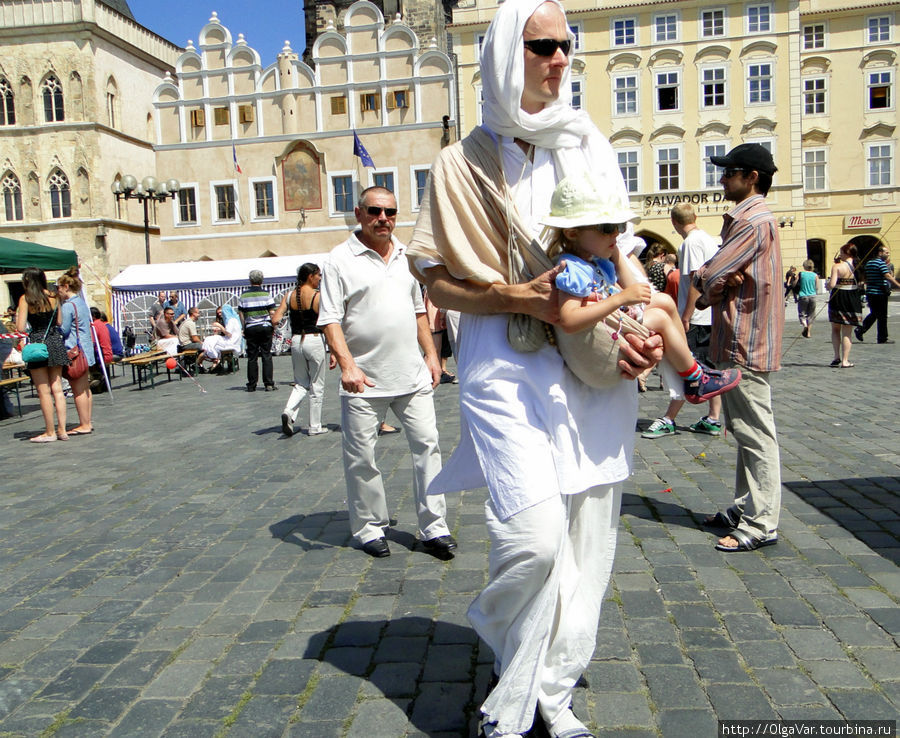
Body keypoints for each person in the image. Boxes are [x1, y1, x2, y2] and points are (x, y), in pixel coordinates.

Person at [406, 1, 664, 735]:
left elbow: (622, 258)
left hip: (590, 361)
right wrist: (511, 294)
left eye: (566, 45)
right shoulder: (460, 164)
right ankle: (498, 624)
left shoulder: (589, 145)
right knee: (536, 539)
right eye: (542, 45)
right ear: (500, 57)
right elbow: (434, 278)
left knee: (586, 539)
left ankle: (544, 693)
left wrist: (639, 331)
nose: (559, 58)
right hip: (503, 357)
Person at [318, 186, 455, 560]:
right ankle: (369, 528)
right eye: (376, 211)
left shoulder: (406, 257)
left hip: (411, 376)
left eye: (391, 212)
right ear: (359, 213)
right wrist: (347, 365)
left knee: (428, 448)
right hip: (363, 379)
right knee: (362, 458)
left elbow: (419, 311)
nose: (384, 219)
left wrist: (432, 355)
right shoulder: (338, 260)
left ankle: (435, 527)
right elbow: (329, 318)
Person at [542, 175, 741, 405]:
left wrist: (616, 257)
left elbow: (636, 289)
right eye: (607, 228)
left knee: (665, 301)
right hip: (601, 338)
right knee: (659, 317)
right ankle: (695, 378)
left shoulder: (595, 261)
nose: (616, 234)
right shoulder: (573, 267)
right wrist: (620, 300)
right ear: (572, 233)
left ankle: (690, 366)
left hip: (614, 323)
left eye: (619, 227)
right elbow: (569, 319)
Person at [686, 143, 784, 553]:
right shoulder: (748, 219)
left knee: (756, 432)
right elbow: (721, 275)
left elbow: (713, 272)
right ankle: (746, 507)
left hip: (745, 339)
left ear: (752, 178)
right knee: (744, 429)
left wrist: (708, 283)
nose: (723, 178)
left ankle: (762, 522)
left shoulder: (752, 221)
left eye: (730, 172)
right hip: (740, 336)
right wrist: (714, 281)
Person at [643, 202, 724, 439]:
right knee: (708, 367)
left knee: (685, 366)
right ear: (695, 216)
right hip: (710, 314)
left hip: (697, 316)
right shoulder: (709, 239)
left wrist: (686, 315)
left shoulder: (690, 243)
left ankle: (669, 418)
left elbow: (694, 282)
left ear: (674, 222)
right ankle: (713, 418)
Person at [273, 263, 330, 437]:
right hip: (314, 340)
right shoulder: (317, 297)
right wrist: (334, 350)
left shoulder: (289, 295)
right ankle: (315, 425)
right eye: (318, 275)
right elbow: (327, 324)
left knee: (300, 383)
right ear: (310, 276)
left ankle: (289, 411)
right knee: (316, 385)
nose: (320, 278)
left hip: (296, 341)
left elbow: (276, 319)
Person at [15, 267, 68, 442]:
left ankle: (50, 431)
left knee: (43, 391)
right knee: (58, 388)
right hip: (55, 340)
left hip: (38, 342)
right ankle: (62, 430)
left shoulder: (26, 299)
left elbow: (21, 328)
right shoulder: (54, 296)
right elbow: (59, 321)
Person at [57, 266, 95, 436]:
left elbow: (64, 330)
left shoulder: (68, 306)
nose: (57, 290)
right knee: (86, 388)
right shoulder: (82, 303)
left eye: (58, 287)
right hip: (86, 349)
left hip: (74, 351)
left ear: (66, 287)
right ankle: (88, 420)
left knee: (78, 389)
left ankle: (84, 423)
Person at [238, 270, 277, 392]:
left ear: (250, 280)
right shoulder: (266, 294)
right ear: (262, 280)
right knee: (266, 355)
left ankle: (252, 384)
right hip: (265, 326)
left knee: (252, 357)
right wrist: (273, 327)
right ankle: (268, 383)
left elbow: (241, 313)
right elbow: (272, 311)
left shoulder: (244, 295)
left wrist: (244, 327)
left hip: (251, 327)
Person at [827, 243, 863, 368]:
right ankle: (845, 360)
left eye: (841, 252)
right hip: (852, 297)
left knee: (835, 329)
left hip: (838, 297)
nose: (840, 254)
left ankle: (836, 357)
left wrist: (827, 285)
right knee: (847, 332)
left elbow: (832, 284)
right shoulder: (858, 266)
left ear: (846, 253)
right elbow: (862, 284)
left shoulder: (837, 266)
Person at [856, 246, 900, 344]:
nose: (888, 255)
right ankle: (881, 337)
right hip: (880, 292)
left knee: (875, 313)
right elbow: (887, 275)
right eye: (886, 253)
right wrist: (898, 285)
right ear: (880, 253)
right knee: (882, 316)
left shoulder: (868, 263)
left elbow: (864, 275)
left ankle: (863, 330)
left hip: (871, 292)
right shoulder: (880, 263)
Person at [197, 305, 242, 373]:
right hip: (231, 339)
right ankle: (214, 358)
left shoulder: (230, 321)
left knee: (210, 340)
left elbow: (228, 334)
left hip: (231, 341)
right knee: (211, 339)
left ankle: (214, 357)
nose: (221, 314)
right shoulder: (233, 319)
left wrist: (220, 326)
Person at [89, 306, 113, 394]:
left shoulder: (95, 326)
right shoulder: (102, 324)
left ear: (93, 316)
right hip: (106, 352)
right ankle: (105, 386)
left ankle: (99, 386)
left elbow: (92, 342)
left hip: (101, 353)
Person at [796, 260, 818, 338]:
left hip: (803, 296)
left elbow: (795, 283)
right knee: (811, 315)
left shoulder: (801, 274)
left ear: (804, 266)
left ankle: (804, 325)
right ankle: (808, 333)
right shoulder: (815, 275)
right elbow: (817, 287)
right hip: (812, 296)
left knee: (802, 313)